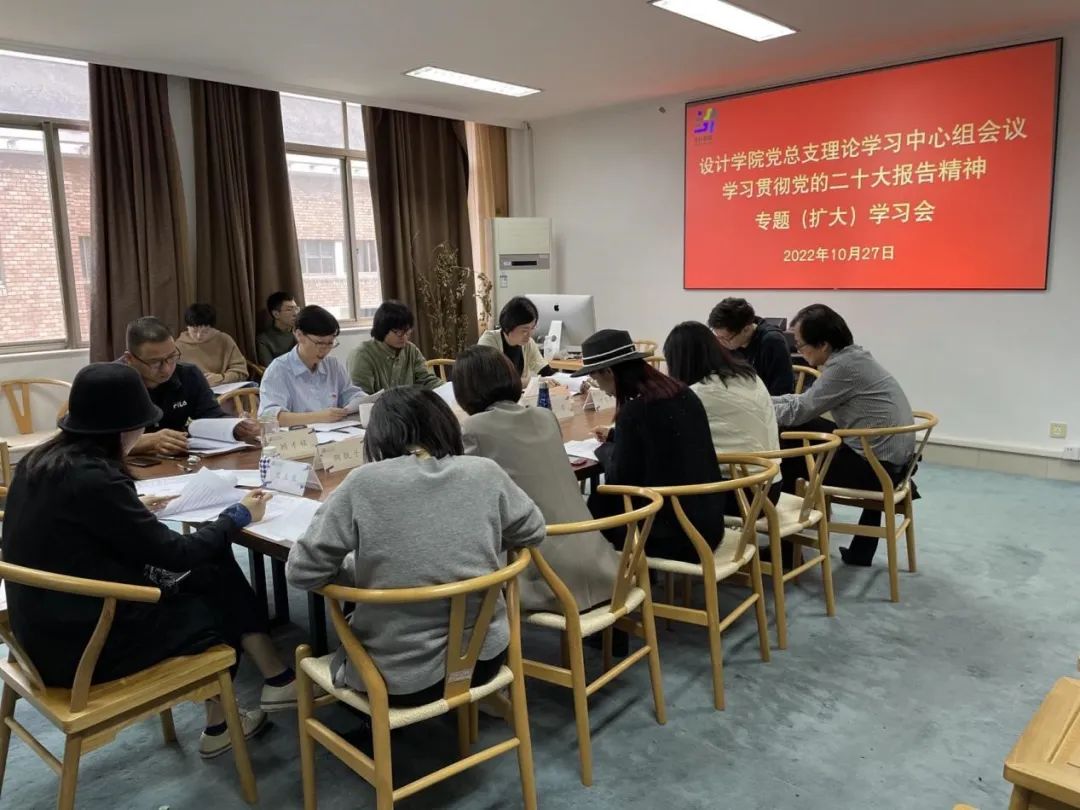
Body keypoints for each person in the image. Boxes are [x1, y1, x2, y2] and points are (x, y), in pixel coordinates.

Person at [2, 363, 300, 759]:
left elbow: (82, 524)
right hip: (85, 647)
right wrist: (238, 514)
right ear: (123, 429)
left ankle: (275, 678)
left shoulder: (43, 461)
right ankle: (224, 721)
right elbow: (176, 554)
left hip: (40, 627)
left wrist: (132, 509)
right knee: (211, 603)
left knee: (213, 565)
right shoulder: (96, 479)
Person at [286, 387, 545, 706]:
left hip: (397, 680)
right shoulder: (485, 471)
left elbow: (302, 571)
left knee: (336, 651)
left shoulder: (362, 483)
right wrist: (473, 542)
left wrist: (362, 573)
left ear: (378, 435)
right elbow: (534, 530)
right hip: (486, 660)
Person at [454, 345, 620, 612]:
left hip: (544, 572)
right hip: (600, 562)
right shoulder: (545, 416)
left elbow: (461, 491)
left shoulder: (473, 429)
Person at [772, 304, 916, 567]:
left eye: (801, 345)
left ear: (823, 344)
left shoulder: (842, 368)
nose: (798, 351)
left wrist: (755, 407)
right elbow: (803, 402)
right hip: (890, 461)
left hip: (874, 468)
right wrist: (762, 401)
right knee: (803, 430)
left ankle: (785, 553)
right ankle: (856, 551)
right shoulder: (854, 357)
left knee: (790, 454)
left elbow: (799, 411)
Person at [573, 329, 725, 563]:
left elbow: (621, 482)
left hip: (675, 536)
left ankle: (616, 581)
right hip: (709, 523)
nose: (598, 386)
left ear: (609, 372)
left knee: (593, 508)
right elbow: (663, 443)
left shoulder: (635, 411)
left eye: (595, 377)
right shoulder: (682, 393)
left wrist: (605, 452)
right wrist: (616, 438)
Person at [121, 316, 260, 456]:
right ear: (129, 359)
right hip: (129, 463)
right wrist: (148, 441)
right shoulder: (112, 382)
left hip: (180, 458)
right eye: (155, 363)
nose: (166, 369)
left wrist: (234, 426)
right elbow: (107, 443)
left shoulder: (189, 375)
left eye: (172, 357)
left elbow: (212, 416)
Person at [258, 305, 366, 426]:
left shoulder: (332, 365)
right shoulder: (278, 370)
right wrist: (320, 417)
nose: (325, 349)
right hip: (299, 436)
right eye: (319, 343)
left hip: (337, 433)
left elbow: (351, 394)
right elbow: (271, 417)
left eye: (330, 343)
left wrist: (364, 400)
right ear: (299, 335)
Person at [347, 300, 443, 394]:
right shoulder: (362, 355)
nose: (404, 337)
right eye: (398, 332)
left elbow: (427, 380)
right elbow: (362, 397)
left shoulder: (411, 350)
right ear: (383, 329)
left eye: (407, 332)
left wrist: (448, 389)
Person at [708, 297, 795, 395]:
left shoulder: (772, 342)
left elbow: (782, 389)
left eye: (726, 338)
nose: (721, 342)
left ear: (746, 329)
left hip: (765, 401)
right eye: (718, 337)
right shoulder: (726, 341)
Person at [477, 296, 555, 382]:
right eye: (524, 330)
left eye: (532, 328)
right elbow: (497, 382)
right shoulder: (488, 342)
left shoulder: (528, 343)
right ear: (508, 327)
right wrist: (535, 381)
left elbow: (545, 370)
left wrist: (560, 379)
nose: (529, 335)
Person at [176, 303, 249, 386]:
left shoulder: (224, 340)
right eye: (194, 331)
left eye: (205, 332)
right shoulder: (178, 346)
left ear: (212, 328)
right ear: (187, 327)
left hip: (225, 388)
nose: (199, 336)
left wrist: (221, 378)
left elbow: (241, 371)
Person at [255, 292, 299, 368]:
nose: (295, 313)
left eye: (296, 308)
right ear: (276, 314)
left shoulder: (302, 332)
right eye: (289, 310)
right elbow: (270, 369)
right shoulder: (264, 340)